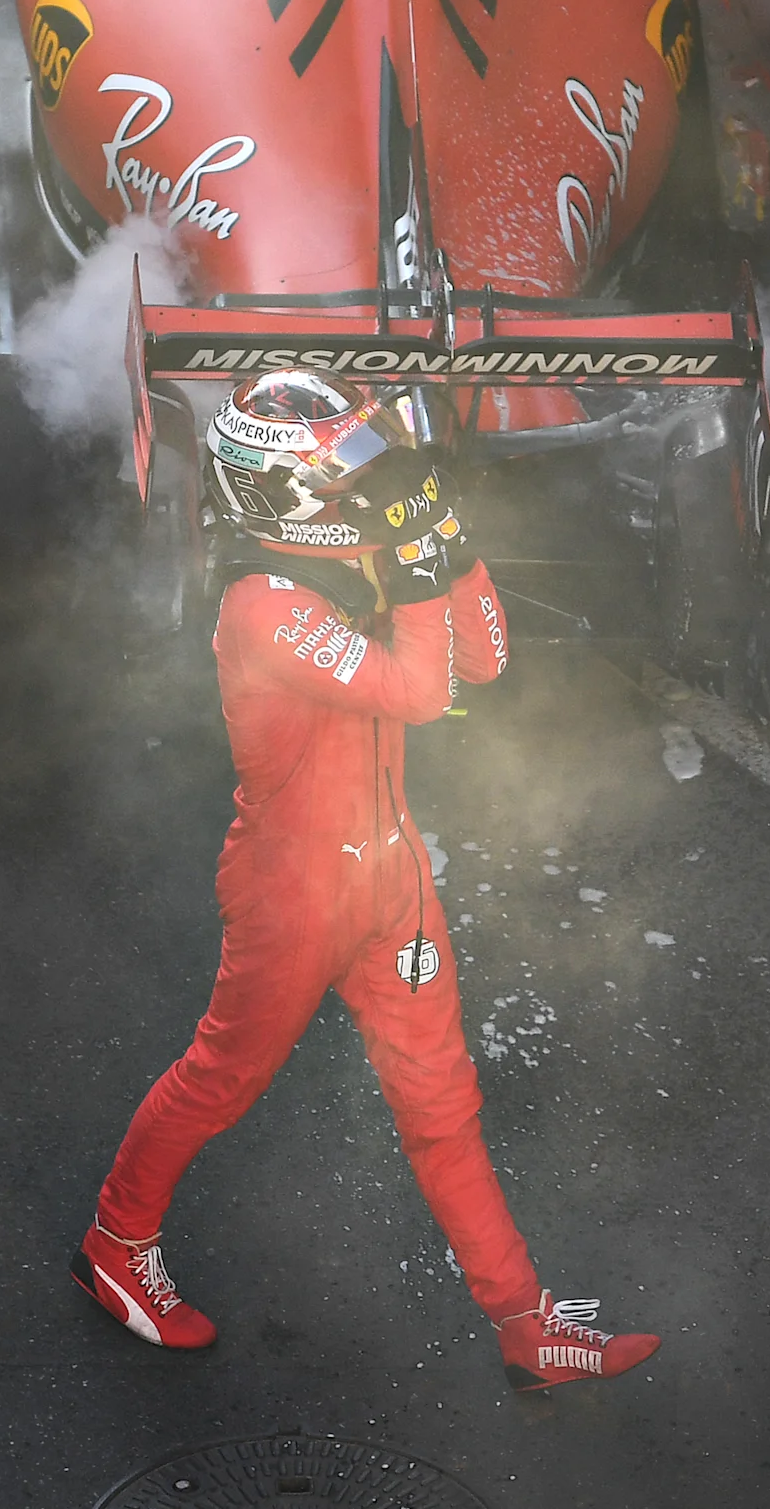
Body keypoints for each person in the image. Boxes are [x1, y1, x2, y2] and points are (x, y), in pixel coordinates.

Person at [73, 371, 662, 1393]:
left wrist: (449, 540)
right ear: (278, 491)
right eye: (345, 468)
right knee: (221, 1078)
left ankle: (527, 1325)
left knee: (444, 1104)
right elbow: (423, 691)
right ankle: (114, 1243)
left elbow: (484, 661)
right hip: (292, 895)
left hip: (391, 878)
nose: (368, 482)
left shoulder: (353, 559)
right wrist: (419, 559)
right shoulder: (259, 608)